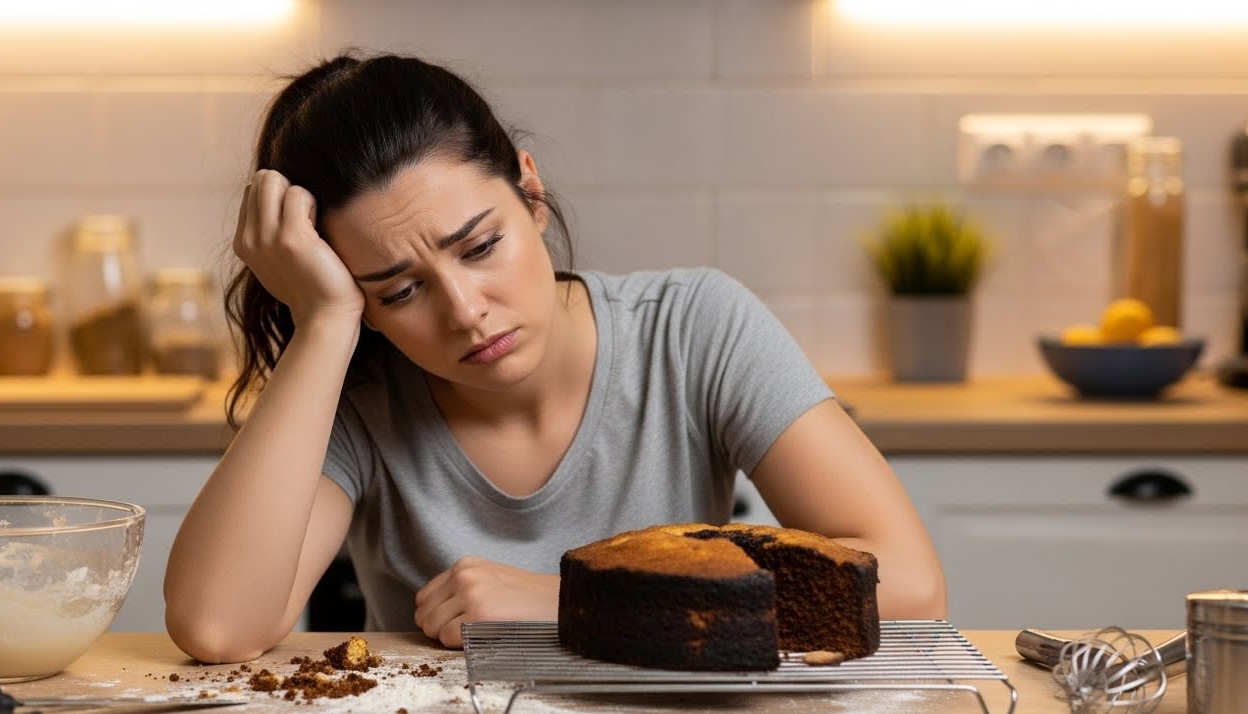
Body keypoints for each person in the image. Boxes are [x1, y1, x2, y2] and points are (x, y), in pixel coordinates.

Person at [164, 51, 947, 664]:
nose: (463, 310)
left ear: (530, 193)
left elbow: (910, 586)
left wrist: (567, 601)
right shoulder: (354, 389)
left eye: (480, 246)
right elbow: (217, 626)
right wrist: (324, 323)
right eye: (398, 291)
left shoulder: (695, 327)